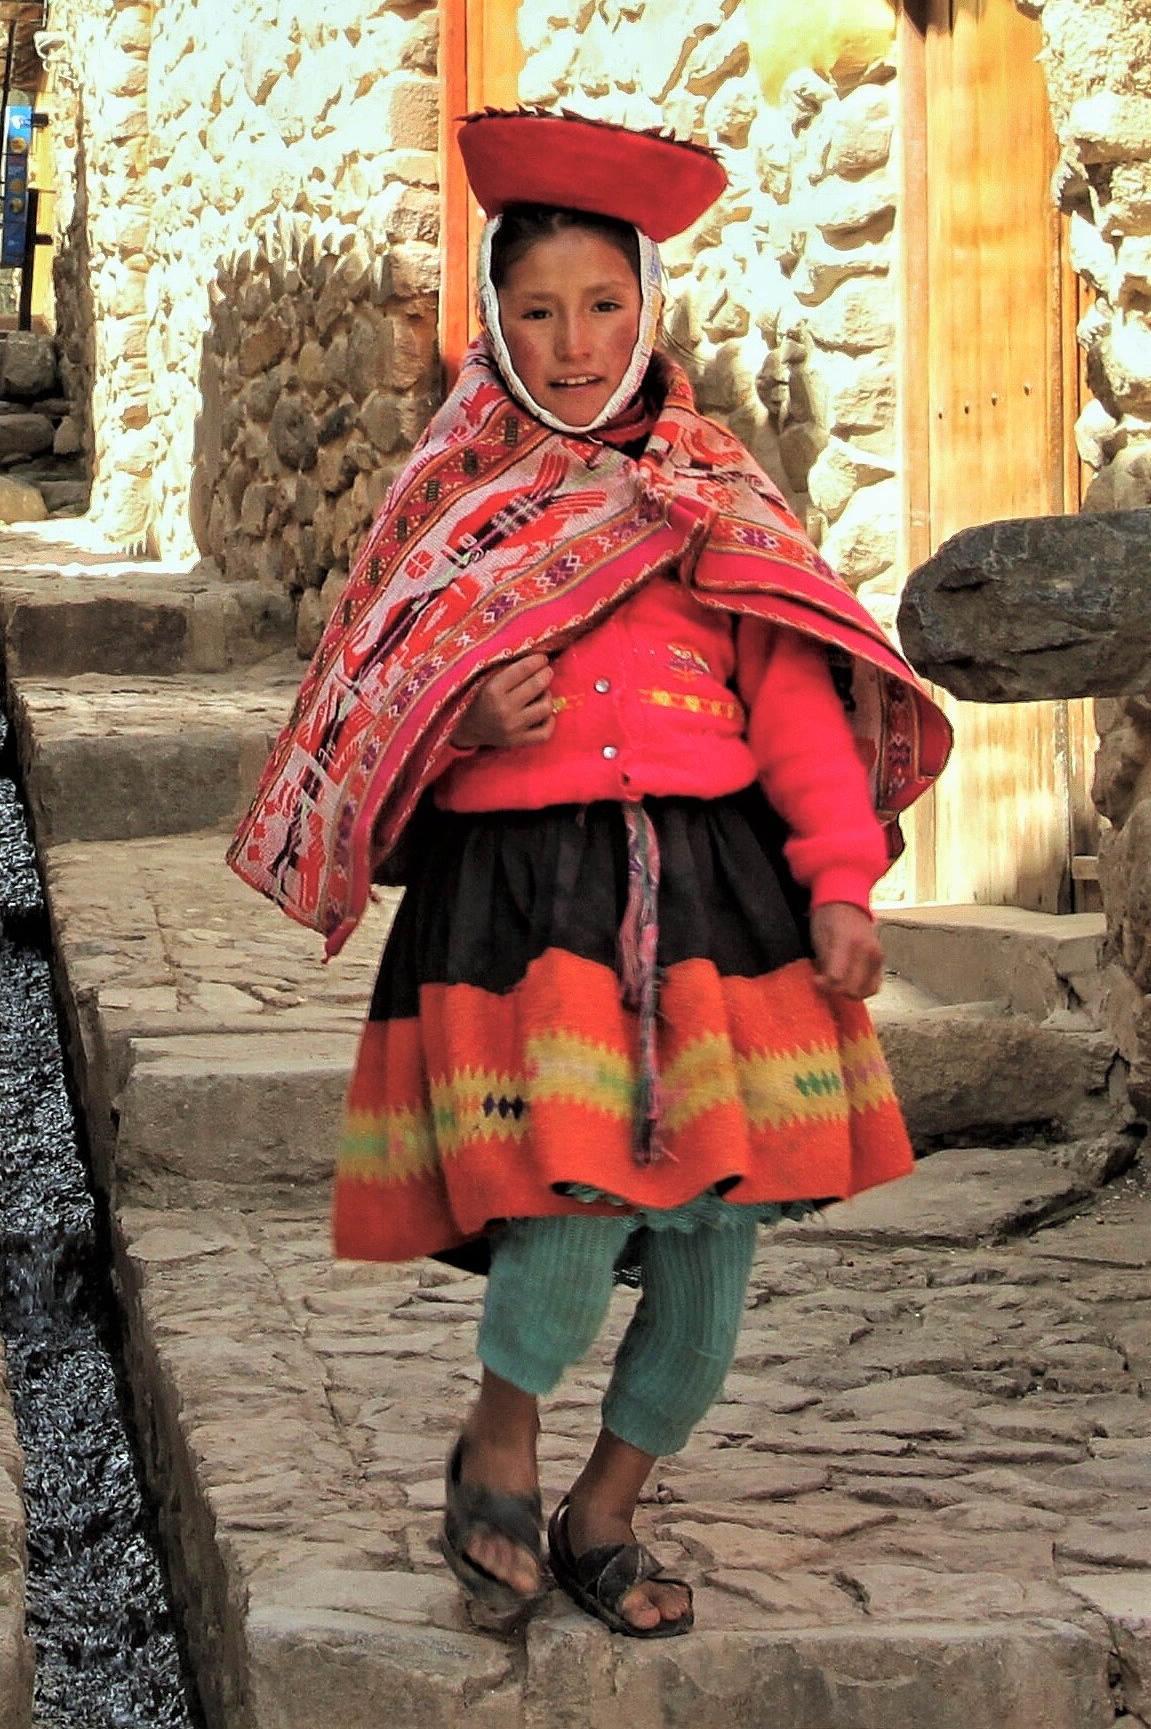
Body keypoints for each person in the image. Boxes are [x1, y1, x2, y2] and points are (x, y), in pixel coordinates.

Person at [230, 111, 950, 1642]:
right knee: (562, 1199)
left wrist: (836, 883)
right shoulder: (447, 494)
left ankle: (604, 1508)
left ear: (648, 310)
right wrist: (463, 725)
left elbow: (797, 707)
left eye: (602, 307)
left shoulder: (709, 483)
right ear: (496, 321)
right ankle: (498, 1441)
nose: (571, 343)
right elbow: (377, 732)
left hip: (715, 902)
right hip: (526, 906)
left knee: (710, 1252)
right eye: (540, 312)